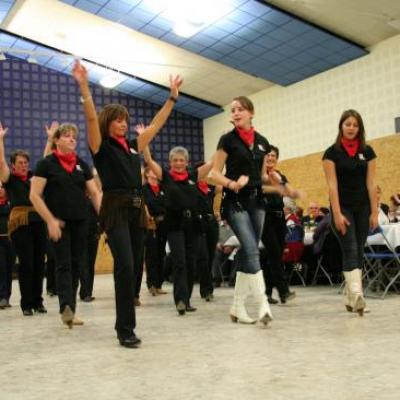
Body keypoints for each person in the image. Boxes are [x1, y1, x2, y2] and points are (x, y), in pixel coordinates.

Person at [72, 60, 183, 348]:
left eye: (125, 119)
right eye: (118, 119)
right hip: (115, 206)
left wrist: (172, 97)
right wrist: (84, 86)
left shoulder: (133, 147)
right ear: (110, 122)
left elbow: (157, 124)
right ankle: (125, 329)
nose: (123, 123)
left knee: (134, 268)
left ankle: (127, 324)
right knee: (125, 265)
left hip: (136, 207)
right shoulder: (101, 147)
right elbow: (91, 121)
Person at [30, 123, 101, 328]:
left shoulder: (81, 164)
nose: (72, 139)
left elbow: (94, 193)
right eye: (67, 136)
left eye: (74, 137)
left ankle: (71, 310)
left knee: (78, 264)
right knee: (63, 264)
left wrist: (104, 217)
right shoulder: (47, 164)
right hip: (58, 223)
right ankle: (65, 308)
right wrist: (50, 220)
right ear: (57, 140)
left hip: (81, 221)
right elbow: (34, 195)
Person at [210, 95, 274, 326]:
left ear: (251, 113)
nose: (236, 113)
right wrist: (230, 183)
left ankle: (237, 307)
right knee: (251, 248)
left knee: (249, 253)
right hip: (234, 202)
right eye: (233, 110)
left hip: (257, 202)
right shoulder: (227, 140)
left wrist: (274, 179)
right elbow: (214, 173)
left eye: (240, 109)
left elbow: (262, 176)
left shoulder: (263, 142)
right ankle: (262, 304)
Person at [143, 144, 212, 315]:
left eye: (182, 160)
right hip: (174, 224)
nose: (179, 163)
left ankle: (186, 300)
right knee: (179, 261)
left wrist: (223, 144)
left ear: (187, 162)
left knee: (190, 262)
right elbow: (149, 161)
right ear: (170, 162)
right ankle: (180, 300)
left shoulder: (193, 176)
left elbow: (212, 163)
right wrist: (144, 144)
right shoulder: (165, 176)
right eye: (175, 160)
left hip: (193, 225)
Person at [322, 109, 377, 316]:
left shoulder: (368, 152)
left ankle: (349, 296)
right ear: (341, 127)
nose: (351, 128)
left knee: (358, 250)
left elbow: (371, 184)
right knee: (351, 248)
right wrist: (336, 213)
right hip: (342, 207)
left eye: (355, 125)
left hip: (363, 207)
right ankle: (357, 295)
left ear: (359, 128)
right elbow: (332, 186)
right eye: (348, 124)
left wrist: (374, 212)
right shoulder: (331, 153)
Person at [0, 123, 47, 316]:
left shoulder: (33, 178)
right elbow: (0, 162)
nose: (24, 165)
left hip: (38, 222)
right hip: (21, 224)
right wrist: (0, 139)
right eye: (20, 163)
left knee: (38, 264)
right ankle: (27, 304)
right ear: (13, 165)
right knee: (26, 264)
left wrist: (50, 139)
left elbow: (44, 161)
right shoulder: (9, 179)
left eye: (26, 163)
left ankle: (38, 301)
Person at [260, 145, 300, 305]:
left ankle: (267, 292)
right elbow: (260, 190)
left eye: (273, 156)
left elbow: (289, 191)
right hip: (265, 218)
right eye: (268, 156)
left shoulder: (279, 175)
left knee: (274, 256)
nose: (270, 158)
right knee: (274, 254)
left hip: (279, 218)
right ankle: (284, 291)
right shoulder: (259, 174)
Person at [142, 166, 168, 296]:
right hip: (151, 224)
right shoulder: (144, 189)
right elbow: (144, 205)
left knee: (161, 253)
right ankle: (151, 284)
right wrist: (148, 217)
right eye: (152, 170)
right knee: (151, 254)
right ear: (147, 174)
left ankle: (159, 284)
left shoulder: (163, 188)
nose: (155, 172)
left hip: (164, 223)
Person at [0, 183, 15, 309]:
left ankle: (7, 296)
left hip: (10, 239)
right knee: (1, 268)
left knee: (9, 268)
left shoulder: (11, 202)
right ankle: (2, 296)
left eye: (2, 187)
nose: (0, 190)